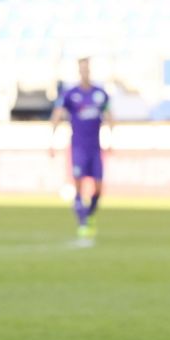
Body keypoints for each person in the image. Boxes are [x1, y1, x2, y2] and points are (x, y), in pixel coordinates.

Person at [50, 57, 113, 242]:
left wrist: (110, 139)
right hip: (78, 147)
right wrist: (52, 141)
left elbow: (109, 117)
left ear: (90, 71)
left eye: (87, 69)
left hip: (95, 148)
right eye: (82, 69)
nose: (85, 72)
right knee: (78, 186)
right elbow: (57, 114)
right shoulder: (70, 94)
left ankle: (89, 213)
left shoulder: (100, 94)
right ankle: (83, 222)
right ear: (79, 71)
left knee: (99, 189)